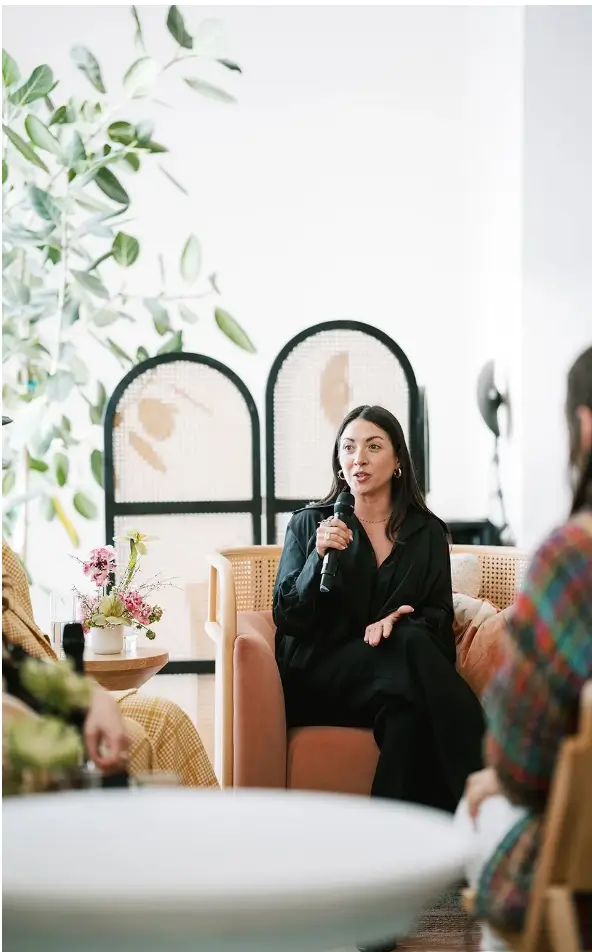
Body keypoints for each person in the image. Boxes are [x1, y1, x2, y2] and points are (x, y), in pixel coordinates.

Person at [274, 405, 485, 811]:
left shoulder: (427, 532)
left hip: (394, 676)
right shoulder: (309, 524)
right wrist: (317, 557)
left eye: (373, 447)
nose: (359, 458)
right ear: (339, 462)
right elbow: (287, 616)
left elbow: (439, 617)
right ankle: (488, 779)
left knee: (408, 714)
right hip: (321, 674)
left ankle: (397, 839)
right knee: (410, 647)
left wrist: (396, 621)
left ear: (398, 460)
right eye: (349, 448)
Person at [455, 346, 592, 951]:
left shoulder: (571, 560)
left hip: (577, 858)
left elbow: (523, 759)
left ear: (585, 425)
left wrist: (502, 778)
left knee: (476, 814)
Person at [2, 537, 218, 789]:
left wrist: (89, 696)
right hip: (21, 713)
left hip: (37, 692)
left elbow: (15, 658)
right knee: (130, 740)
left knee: (166, 719)